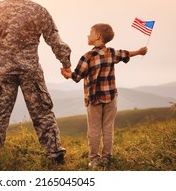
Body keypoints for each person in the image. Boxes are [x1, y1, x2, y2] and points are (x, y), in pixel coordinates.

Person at [0, 0, 72, 164]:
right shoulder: (39, 10)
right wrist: (66, 63)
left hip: (4, 71)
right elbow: (54, 40)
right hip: (31, 70)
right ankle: (54, 155)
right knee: (43, 113)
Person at [61, 23, 147, 168]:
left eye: (90, 32)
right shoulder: (112, 53)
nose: (88, 35)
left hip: (94, 99)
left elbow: (77, 76)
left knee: (94, 130)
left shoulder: (87, 57)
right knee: (108, 129)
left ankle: (94, 159)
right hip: (111, 97)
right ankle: (107, 158)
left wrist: (67, 74)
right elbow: (125, 54)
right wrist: (139, 51)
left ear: (98, 36)